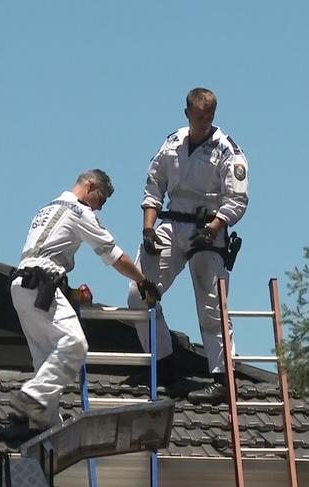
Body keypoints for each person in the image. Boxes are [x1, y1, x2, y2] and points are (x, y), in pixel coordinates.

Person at [5, 169, 160, 437]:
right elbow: (115, 256)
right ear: (89, 186)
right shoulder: (79, 212)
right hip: (42, 282)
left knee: (45, 359)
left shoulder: (46, 208)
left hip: (21, 286)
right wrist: (143, 281)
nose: (101, 206)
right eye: (101, 198)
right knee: (76, 345)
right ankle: (30, 397)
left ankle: (42, 425)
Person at [127, 87, 249, 405]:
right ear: (187, 114)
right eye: (199, 117)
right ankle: (164, 365)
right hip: (171, 224)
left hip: (208, 228)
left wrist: (212, 230)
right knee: (139, 293)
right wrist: (148, 230)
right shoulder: (172, 143)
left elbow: (237, 200)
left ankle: (222, 378)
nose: (204, 123)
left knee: (211, 306)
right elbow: (154, 185)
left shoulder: (228, 150)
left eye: (209, 118)